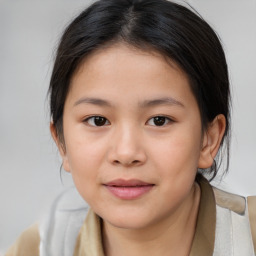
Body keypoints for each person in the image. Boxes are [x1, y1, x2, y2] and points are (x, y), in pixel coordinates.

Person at [6, 0, 256, 255]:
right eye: (97, 120)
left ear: (209, 139)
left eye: (159, 120)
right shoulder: (38, 249)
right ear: (61, 142)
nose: (126, 153)